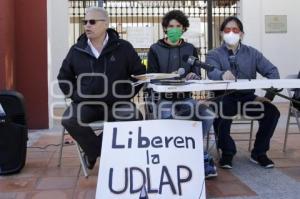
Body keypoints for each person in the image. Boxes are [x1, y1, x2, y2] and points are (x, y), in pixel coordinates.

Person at [57, 7, 145, 170]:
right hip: (85, 104)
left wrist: (126, 93)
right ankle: (97, 152)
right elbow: (63, 78)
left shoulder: (123, 47)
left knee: (134, 117)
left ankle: (92, 152)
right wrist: (77, 96)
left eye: (92, 22)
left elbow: (140, 75)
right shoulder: (76, 50)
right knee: (69, 119)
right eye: (85, 22)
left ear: (105, 24)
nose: (87, 26)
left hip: (116, 104)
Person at [147, 10, 217, 178]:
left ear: (184, 29)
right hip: (163, 100)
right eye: (171, 26)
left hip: (186, 99)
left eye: (178, 26)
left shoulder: (190, 49)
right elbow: (151, 77)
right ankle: (198, 157)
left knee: (207, 115)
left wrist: (194, 75)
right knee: (168, 120)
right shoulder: (155, 49)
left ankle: (190, 149)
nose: (174, 29)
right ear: (165, 28)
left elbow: (197, 74)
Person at [206, 16, 280, 169]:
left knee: (272, 112)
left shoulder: (252, 53)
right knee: (220, 112)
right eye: (227, 30)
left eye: (235, 30)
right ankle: (227, 152)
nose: (231, 33)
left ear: (242, 34)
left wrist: (267, 97)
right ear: (221, 33)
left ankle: (259, 153)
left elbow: (273, 72)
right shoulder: (214, 54)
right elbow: (211, 72)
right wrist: (221, 75)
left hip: (247, 97)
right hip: (224, 96)